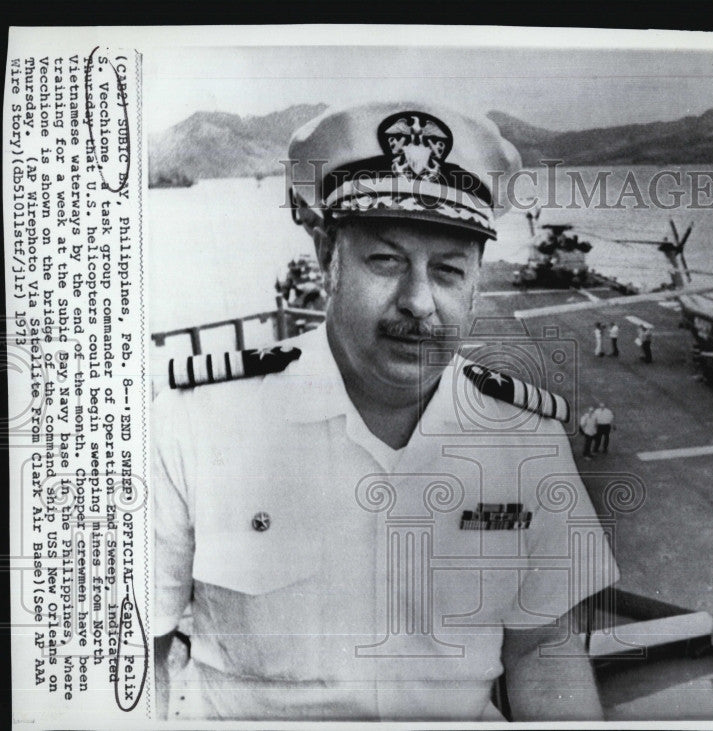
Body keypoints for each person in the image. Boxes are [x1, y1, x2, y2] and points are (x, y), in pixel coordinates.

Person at [152, 102, 618, 722]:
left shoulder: (524, 437)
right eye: (387, 261)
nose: (419, 302)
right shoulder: (196, 424)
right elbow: (135, 654)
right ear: (327, 256)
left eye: (449, 271)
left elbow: (543, 648)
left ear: (478, 283)